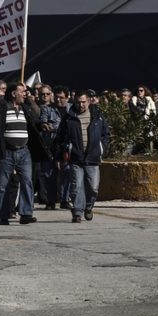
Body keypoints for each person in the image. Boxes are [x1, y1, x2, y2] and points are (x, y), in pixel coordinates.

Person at [0, 82, 47, 225]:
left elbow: (34, 120)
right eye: (21, 92)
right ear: (13, 93)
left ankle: (26, 213)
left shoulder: (25, 109)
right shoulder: (1, 108)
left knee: (27, 181)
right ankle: (3, 214)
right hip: (7, 152)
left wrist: (41, 124)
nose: (24, 94)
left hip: (24, 152)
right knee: (2, 185)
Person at [55, 92, 110, 223]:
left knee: (93, 187)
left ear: (89, 101)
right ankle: (77, 212)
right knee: (76, 186)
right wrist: (62, 154)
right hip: (76, 158)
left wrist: (101, 148)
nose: (81, 105)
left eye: (84, 102)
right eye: (79, 102)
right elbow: (60, 137)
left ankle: (89, 207)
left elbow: (105, 134)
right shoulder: (69, 118)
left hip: (93, 158)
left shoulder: (97, 117)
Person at [35, 85, 62, 210]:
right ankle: (49, 199)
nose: (45, 97)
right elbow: (44, 123)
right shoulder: (45, 109)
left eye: (47, 94)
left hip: (63, 143)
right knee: (48, 173)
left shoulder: (68, 108)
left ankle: (64, 198)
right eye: (42, 94)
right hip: (48, 144)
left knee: (66, 173)